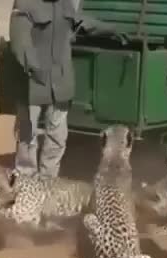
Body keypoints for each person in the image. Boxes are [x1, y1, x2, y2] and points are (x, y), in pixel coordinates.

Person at [9, 0, 127, 178]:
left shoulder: (65, 4)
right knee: (28, 136)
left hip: (60, 83)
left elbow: (84, 23)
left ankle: (48, 182)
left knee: (56, 138)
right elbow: (20, 40)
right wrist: (35, 68)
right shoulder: (26, 3)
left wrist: (112, 30)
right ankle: (25, 184)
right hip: (32, 82)